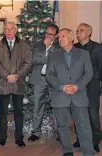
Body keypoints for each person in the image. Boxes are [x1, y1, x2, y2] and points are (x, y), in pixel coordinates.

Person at [46, 28, 94, 156]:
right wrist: (62, 87)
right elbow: (49, 75)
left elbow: (88, 73)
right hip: (60, 95)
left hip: (79, 95)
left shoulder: (83, 54)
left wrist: (77, 86)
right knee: (62, 125)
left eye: (63, 36)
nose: (60, 39)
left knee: (83, 125)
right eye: (59, 37)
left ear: (72, 38)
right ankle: (67, 150)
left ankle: (88, 152)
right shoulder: (53, 55)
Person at [0, 21, 32, 148]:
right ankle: (2, 137)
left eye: (11, 29)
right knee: (3, 112)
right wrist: (7, 76)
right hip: (3, 83)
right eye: (6, 29)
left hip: (18, 83)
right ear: (3, 31)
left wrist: (17, 75)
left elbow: (28, 63)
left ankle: (19, 138)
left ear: (15, 30)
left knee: (19, 112)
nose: (8, 31)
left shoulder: (24, 46)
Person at [72, 23, 102, 153]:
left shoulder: (97, 47)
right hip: (78, 87)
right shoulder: (74, 47)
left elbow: (101, 68)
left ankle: (95, 141)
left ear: (89, 33)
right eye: (77, 30)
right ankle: (80, 139)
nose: (78, 32)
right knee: (79, 115)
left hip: (92, 86)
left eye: (81, 30)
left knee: (93, 115)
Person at [28, 24, 59, 142]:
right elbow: (33, 60)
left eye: (51, 34)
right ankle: (36, 132)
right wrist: (46, 52)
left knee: (56, 106)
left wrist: (49, 48)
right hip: (40, 79)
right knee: (37, 106)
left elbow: (56, 60)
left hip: (54, 80)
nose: (47, 36)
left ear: (55, 36)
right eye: (46, 33)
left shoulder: (58, 46)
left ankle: (59, 133)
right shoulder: (37, 45)